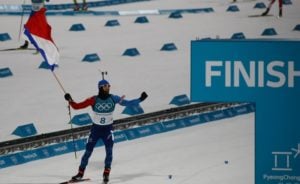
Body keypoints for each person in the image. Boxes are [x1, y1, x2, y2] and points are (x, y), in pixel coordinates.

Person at [64, 79, 148, 183]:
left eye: (109, 85)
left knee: (109, 152)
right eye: (106, 86)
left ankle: (106, 174)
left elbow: (128, 103)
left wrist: (141, 99)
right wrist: (70, 100)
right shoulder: (93, 99)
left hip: (107, 130)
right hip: (95, 130)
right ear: (100, 87)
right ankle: (80, 173)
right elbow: (78, 106)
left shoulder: (114, 98)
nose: (108, 87)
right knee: (88, 152)